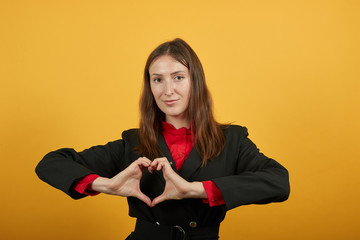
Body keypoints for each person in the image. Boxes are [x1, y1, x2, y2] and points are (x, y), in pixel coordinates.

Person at [35, 38, 290, 240]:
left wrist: (194, 190)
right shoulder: (131, 142)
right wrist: (106, 185)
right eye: (157, 80)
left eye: (178, 77)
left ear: (195, 82)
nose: (168, 90)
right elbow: (51, 163)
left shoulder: (232, 140)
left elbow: (279, 181)